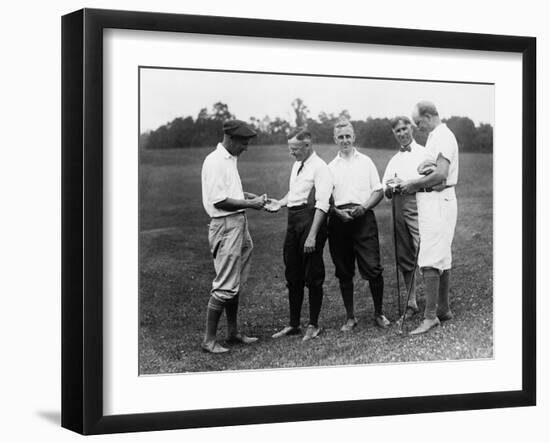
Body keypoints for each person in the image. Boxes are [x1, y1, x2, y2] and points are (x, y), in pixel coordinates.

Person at [200, 119, 267, 353]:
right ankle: (209, 340)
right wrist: (251, 203)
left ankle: (233, 332)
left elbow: (231, 192)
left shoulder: (230, 159)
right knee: (226, 282)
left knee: (234, 282)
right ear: (230, 138)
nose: (246, 147)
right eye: (244, 142)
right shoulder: (215, 161)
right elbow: (219, 200)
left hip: (238, 223)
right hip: (225, 224)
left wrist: (252, 197)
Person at [266, 128, 332, 341]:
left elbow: (323, 204)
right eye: (290, 149)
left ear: (307, 146)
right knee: (292, 273)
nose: (291, 153)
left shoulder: (321, 168)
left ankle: (313, 325)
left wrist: (312, 235)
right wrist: (280, 202)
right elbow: (294, 194)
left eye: (294, 149)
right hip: (293, 221)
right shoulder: (297, 165)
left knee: (312, 274)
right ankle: (294, 324)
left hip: (311, 220)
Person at [398, 101, 459, 334]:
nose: (418, 128)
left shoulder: (443, 136)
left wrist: (412, 183)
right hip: (435, 200)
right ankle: (443, 309)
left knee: (430, 257)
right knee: (442, 255)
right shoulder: (436, 136)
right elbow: (434, 170)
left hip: (439, 200)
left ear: (429, 115)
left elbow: (441, 174)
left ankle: (430, 316)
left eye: (419, 123)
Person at [327, 119, 390, 332]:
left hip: (363, 218)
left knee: (373, 268)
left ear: (353, 137)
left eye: (348, 136)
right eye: (340, 137)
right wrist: (337, 212)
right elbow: (325, 199)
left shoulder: (366, 161)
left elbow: (378, 190)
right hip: (339, 221)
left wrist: (363, 208)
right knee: (344, 271)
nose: (345, 140)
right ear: (335, 139)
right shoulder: (330, 167)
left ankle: (379, 314)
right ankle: (350, 317)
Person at [382, 116, 425, 319]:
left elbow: (431, 180)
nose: (402, 133)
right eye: (397, 131)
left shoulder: (424, 153)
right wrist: (390, 187)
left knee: (426, 251)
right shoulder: (393, 160)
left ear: (411, 128)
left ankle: (438, 303)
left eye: (404, 128)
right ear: (394, 134)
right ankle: (411, 302)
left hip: (420, 205)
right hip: (398, 206)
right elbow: (385, 190)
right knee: (405, 255)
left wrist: (407, 182)